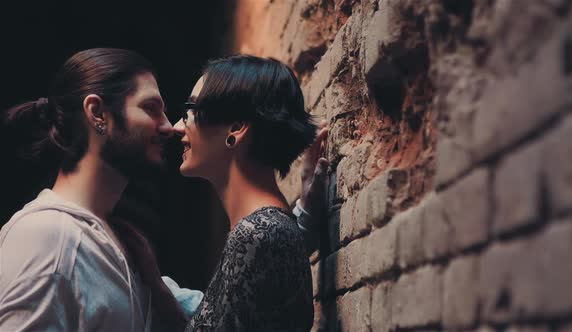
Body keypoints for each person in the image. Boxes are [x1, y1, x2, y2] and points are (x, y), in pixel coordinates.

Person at [0, 48, 327, 331]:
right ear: (98, 114)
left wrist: (294, 225)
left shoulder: (121, 244)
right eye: (150, 108)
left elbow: (240, 302)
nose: (170, 126)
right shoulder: (46, 238)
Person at [173, 55, 322, 331]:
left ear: (236, 128)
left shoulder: (256, 235)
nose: (177, 127)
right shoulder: (265, 231)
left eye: (189, 111)